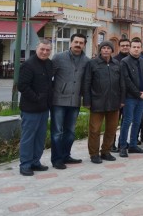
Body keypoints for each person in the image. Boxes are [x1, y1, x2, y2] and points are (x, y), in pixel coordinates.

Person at [50, 33, 90, 169]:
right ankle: (56, 159)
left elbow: (86, 82)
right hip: (59, 101)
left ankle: (65, 155)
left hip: (75, 101)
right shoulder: (58, 57)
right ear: (71, 42)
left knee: (70, 132)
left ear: (84, 45)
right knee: (57, 132)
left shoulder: (86, 61)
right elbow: (49, 77)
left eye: (81, 43)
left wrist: (86, 99)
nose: (78, 45)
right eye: (76, 42)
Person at [83, 41, 123, 164]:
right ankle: (94, 154)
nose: (106, 50)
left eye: (108, 48)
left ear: (112, 50)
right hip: (97, 102)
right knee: (95, 130)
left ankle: (106, 151)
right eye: (103, 48)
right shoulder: (92, 63)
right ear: (100, 50)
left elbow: (122, 83)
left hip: (114, 102)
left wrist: (122, 100)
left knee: (111, 129)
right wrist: (87, 101)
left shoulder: (117, 64)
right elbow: (87, 83)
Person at [18, 40, 54, 176]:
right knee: (28, 137)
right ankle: (25, 164)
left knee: (40, 137)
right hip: (30, 108)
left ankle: (35, 162)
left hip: (44, 108)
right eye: (42, 49)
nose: (45, 52)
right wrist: (37, 98)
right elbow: (22, 86)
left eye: (47, 50)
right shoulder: (28, 65)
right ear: (37, 49)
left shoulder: (49, 64)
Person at [118, 38, 143, 157]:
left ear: (141, 48)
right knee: (127, 121)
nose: (136, 49)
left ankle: (133, 145)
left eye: (138, 47)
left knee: (137, 121)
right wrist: (139, 93)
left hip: (142, 97)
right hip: (130, 97)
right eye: (134, 47)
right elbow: (126, 80)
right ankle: (122, 146)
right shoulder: (124, 62)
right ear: (130, 48)